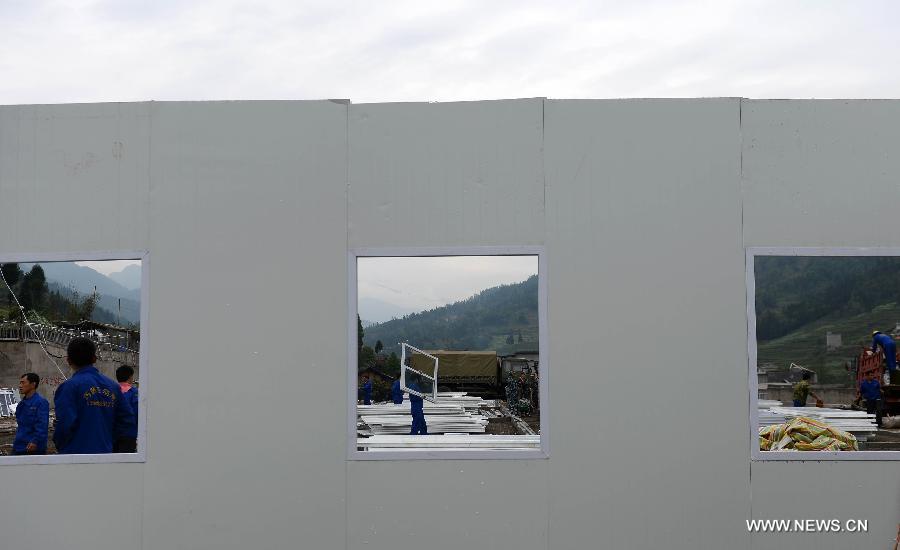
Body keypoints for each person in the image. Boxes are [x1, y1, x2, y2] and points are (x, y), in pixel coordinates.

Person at [53, 337, 136, 454]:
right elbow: (127, 420)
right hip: (105, 455)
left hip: (74, 456)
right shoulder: (113, 387)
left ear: (68, 360)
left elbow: (64, 424)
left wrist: (61, 445)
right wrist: (107, 440)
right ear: (94, 358)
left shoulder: (68, 387)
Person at [13, 373, 49, 455]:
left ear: (33, 384)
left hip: (33, 448)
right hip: (19, 446)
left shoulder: (40, 403)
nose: (20, 386)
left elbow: (42, 425)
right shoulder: (21, 404)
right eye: (20, 383)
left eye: (23, 383)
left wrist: (35, 441)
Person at [114, 365, 139, 453]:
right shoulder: (134, 393)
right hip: (129, 433)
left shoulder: (111, 391)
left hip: (112, 434)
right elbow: (137, 413)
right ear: (130, 377)